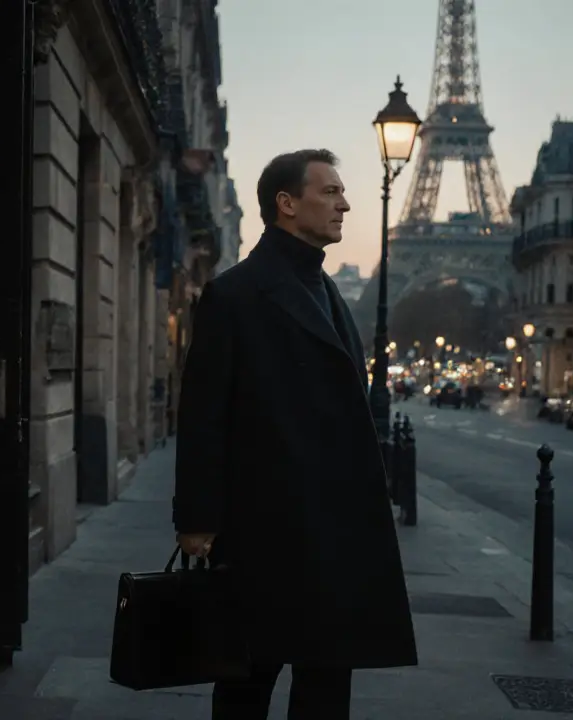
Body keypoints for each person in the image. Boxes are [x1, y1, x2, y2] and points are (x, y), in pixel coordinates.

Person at [172, 149, 418, 720]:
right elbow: (203, 415)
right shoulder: (234, 294)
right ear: (286, 204)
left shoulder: (325, 290)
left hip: (335, 537)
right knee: (246, 682)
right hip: (267, 532)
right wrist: (197, 520)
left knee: (326, 688)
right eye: (329, 192)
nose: (345, 203)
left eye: (342, 192)